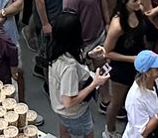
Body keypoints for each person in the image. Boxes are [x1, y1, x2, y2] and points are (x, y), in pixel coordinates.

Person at [47, 8, 111, 138]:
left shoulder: (55, 50)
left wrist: (89, 55)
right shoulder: (69, 68)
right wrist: (95, 83)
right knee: (87, 134)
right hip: (74, 113)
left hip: (61, 109)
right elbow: (69, 101)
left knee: (65, 129)